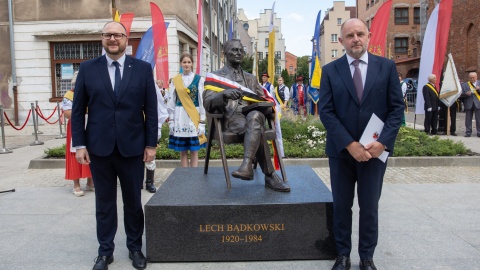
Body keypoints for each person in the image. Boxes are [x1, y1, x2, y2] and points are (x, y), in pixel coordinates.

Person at [318, 19, 404, 270]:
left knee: (369, 206)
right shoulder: (330, 70)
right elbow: (326, 112)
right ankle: (343, 256)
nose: (355, 38)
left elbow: (397, 109)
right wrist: (349, 144)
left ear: (369, 36)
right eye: (350, 35)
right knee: (342, 206)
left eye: (360, 34)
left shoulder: (386, 67)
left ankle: (367, 256)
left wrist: (383, 143)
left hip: (375, 152)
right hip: (342, 153)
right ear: (341, 40)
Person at [71, 21, 157, 270]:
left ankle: (135, 249)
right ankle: (105, 251)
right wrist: (80, 145)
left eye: (117, 35)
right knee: (104, 204)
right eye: (108, 35)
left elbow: (150, 111)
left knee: (133, 202)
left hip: (133, 148)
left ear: (126, 39)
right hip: (99, 149)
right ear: (102, 38)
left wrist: (151, 144)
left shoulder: (141, 69)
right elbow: (78, 112)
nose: (112, 39)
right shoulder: (88, 69)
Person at [203, 39, 290, 192]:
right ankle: (269, 175)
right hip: (231, 119)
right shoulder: (216, 77)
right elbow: (207, 102)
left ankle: (246, 166)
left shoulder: (251, 78)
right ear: (225, 54)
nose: (238, 53)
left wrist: (269, 108)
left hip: (252, 117)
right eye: (234, 50)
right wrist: (223, 95)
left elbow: (263, 99)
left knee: (256, 116)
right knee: (257, 126)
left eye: (240, 51)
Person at [167, 52, 206, 167]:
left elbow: (202, 101)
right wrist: (171, 121)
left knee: (194, 150)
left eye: (189, 62)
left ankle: (193, 174)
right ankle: (184, 175)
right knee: (183, 150)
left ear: (192, 64)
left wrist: (202, 121)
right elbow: (171, 102)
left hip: (194, 116)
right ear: (180, 64)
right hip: (180, 116)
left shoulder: (199, 79)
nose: (186, 64)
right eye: (184, 62)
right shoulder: (175, 80)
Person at [62, 71, 94, 197]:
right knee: (75, 152)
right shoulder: (70, 94)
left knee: (92, 152)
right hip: (76, 126)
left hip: (91, 124)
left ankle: (90, 182)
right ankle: (76, 184)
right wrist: (81, 109)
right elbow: (67, 114)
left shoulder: (91, 93)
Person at [144, 79, 169, 193]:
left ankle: (149, 182)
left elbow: (158, 105)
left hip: (148, 123)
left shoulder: (150, 85)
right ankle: (138, 181)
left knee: (150, 155)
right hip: (133, 125)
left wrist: (157, 127)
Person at [461, 72, 480, 137]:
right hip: (468, 103)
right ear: (469, 78)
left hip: (478, 103)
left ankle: (479, 132)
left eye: (473, 77)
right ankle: (468, 132)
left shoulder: (479, 83)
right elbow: (461, 94)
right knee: (468, 119)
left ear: (476, 77)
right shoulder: (464, 85)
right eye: (470, 78)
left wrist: (479, 89)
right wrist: (466, 94)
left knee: (479, 119)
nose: (472, 79)